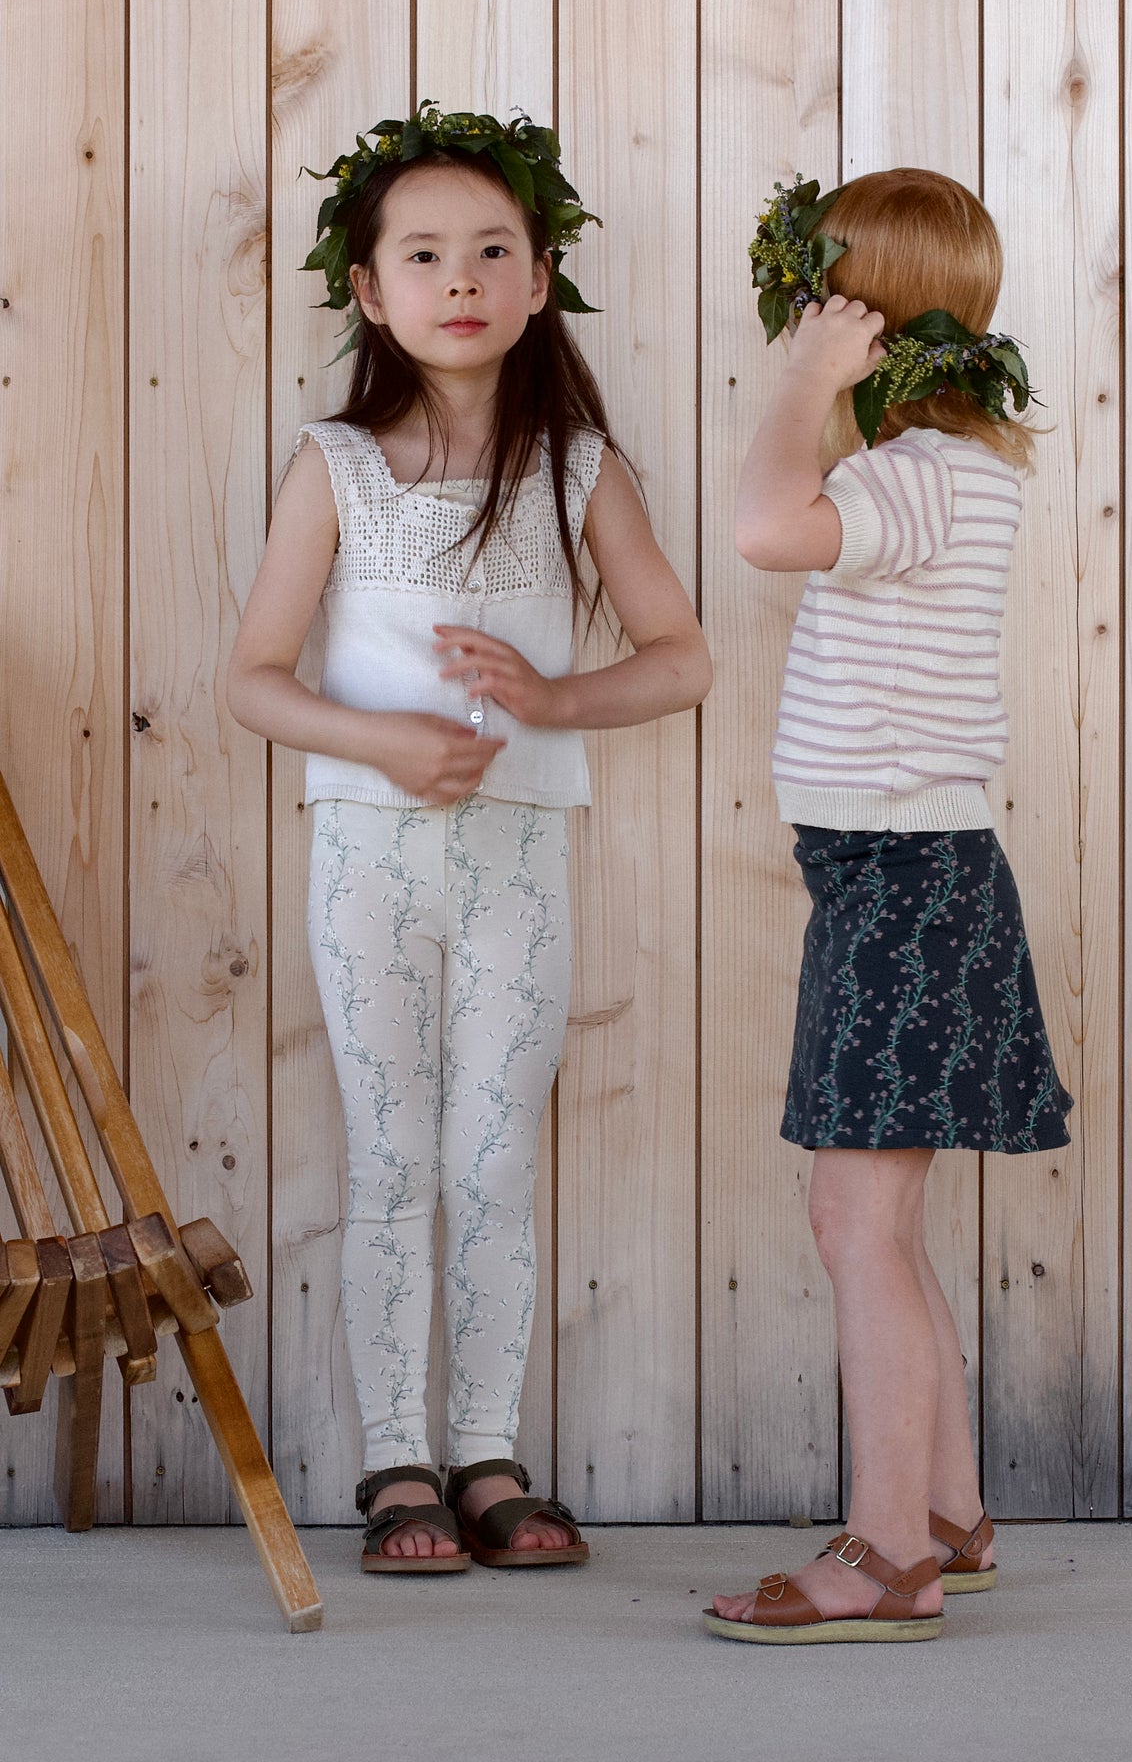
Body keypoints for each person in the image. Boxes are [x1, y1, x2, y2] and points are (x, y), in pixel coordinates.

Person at [228, 107, 710, 1574]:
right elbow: (249, 678)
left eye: (492, 250)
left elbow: (679, 654)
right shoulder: (334, 464)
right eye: (423, 253)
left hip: (517, 862)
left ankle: (488, 1452)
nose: (460, 278)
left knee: (493, 1157)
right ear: (368, 290)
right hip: (368, 860)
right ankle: (393, 1464)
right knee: (393, 1155)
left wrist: (553, 696)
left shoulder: (575, 467)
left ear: (538, 277)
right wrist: (383, 738)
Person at [705, 167, 1072, 1644]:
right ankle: (942, 1515)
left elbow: (756, 525)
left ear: (862, 317)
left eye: (819, 301)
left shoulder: (907, 478)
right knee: (879, 1222)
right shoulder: (950, 472)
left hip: (906, 885)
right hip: (897, 877)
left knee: (856, 1222)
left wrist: (799, 385)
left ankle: (882, 1555)